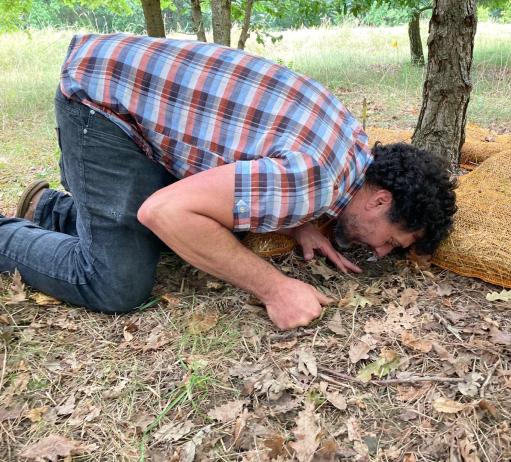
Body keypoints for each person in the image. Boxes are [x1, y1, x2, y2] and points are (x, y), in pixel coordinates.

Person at [0, 33, 456, 329]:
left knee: (203, 232)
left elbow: (270, 157)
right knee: (116, 283)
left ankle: (47, 210)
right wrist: (275, 288)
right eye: (393, 242)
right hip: (101, 103)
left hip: (130, 89)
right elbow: (165, 211)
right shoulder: (312, 182)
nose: (380, 253)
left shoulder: (352, 146)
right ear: (379, 201)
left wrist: (299, 223)